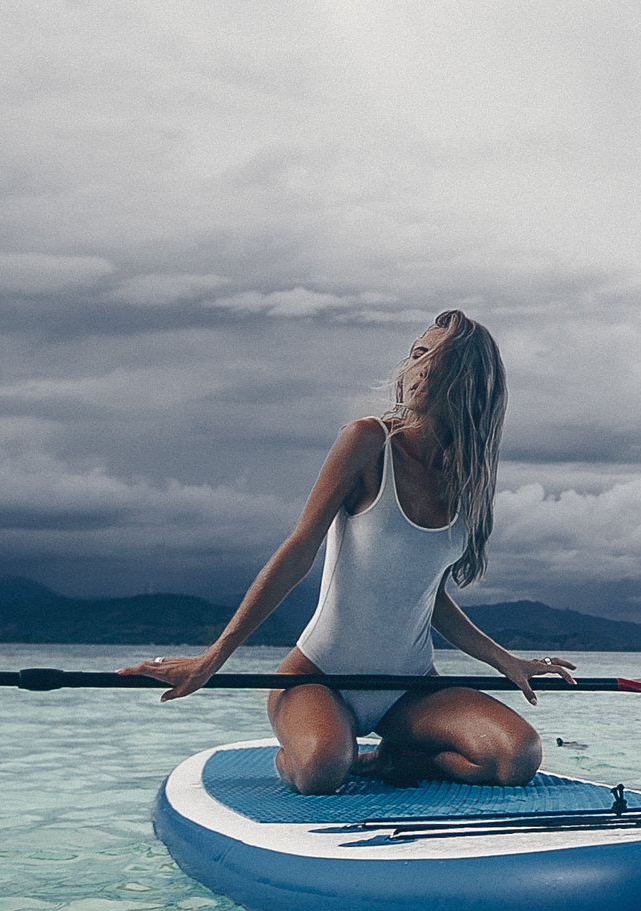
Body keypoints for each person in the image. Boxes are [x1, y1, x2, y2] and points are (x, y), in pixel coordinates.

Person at [119, 311, 573, 794]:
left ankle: (391, 760)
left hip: (411, 688)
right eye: (418, 355)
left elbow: (429, 597)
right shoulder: (368, 442)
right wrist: (212, 660)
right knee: (321, 772)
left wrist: (505, 660)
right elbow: (298, 552)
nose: (419, 370)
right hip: (318, 678)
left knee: (515, 758)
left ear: (470, 382)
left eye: (439, 361)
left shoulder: (469, 483)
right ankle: (306, 751)